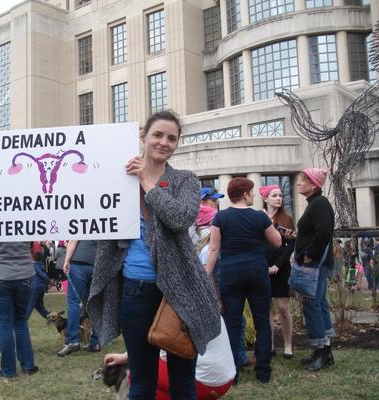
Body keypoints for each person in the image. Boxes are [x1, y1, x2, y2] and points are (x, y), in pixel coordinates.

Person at [88, 110, 221, 399]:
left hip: (181, 292)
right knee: (142, 381)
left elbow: (181, 217)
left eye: (171, 138)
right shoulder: (117, 177)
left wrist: (147, 181)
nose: (164, 142)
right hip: (136, 291)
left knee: (182, 382)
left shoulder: (185, 180)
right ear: (143, 137)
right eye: (158, 135)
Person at [205, 177, 281, 384]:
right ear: (245, 194)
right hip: (257, 271)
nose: (254, 195)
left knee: (232, 323)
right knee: (262, 322)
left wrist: (207, 276)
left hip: (231, 274)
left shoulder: (220, 218)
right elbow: (277, 241)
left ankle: (233, 373)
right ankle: (263, 371)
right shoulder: (260, 217)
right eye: (252, 192)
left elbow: (213, 249)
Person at [104, 317, 235, 400]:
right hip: (225, 381)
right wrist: (125, 356)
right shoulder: (203, 296)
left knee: (138, 376)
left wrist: (128, 358)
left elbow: (157, 343)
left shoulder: (171, 307)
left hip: (202, 383)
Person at [294, 168, 336, 371]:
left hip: (315, 264)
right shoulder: (316, 203)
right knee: (319, 305)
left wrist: (307, 254)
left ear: (314, 185)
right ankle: (325, 351)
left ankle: (321, 351)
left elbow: (324, 232)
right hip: (317, 264)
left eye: (303, 180)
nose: (299, 183)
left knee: (313, 306)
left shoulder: (319, 203)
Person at [0, 241, 38, 377]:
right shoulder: (26, 220)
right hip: (25, 274)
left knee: (4, 323)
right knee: (20, 321)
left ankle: (8, 370)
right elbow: (30, 246)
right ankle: (28, 365)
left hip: (0, 275)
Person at [259, 185, 295, 359]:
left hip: (282, 269)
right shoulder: (259, 217)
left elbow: (290, 245)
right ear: (266, 198)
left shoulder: (286, 219)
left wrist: (278, 265)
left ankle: (288, 345)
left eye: (280, 195)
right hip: (263, 268)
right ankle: (270, 345)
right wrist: (264, 265)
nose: (279, 198)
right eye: (274, 195)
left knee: (283, 308)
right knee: (267, 309)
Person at [58, 240, 100, 356]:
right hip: (97, 262)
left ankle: (72, 341)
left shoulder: (80, 221)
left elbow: (74, 240)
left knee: (74, 303)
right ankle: (96, 342)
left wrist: (66, 260)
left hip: (79, 262)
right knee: (95, 303)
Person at [25, 251, 51, 320]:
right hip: (42, 287)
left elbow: (42, 275)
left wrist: (48, 280)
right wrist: (48, 281)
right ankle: (47, 315)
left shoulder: (35, 266)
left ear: (33, 258)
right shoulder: (41, 265)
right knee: (37, 304)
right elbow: (44, 275)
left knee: (30, 303)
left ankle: (24, 319)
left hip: (36, 286)